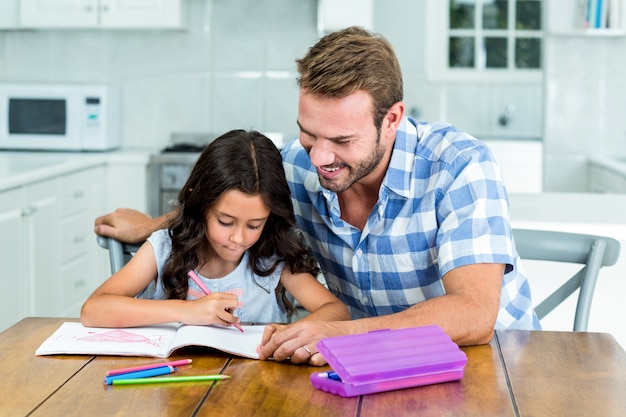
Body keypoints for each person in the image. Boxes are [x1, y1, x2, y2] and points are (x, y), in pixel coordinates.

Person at [94, 26, 540, 366]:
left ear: (393, 119)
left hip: (491, 362)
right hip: (361, 365)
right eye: (309, 133)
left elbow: (475, 313)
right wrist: (154, 225)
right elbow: (229, 199)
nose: (321, 157)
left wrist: (346, 334)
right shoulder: (298, 167)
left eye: (342, 140)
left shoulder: (459, 166)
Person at [82, 130, 350, 346]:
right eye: (225, 222)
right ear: (201, 204)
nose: (237, 238)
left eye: (254, 225)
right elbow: (94, 310)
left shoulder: (271, 257)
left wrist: (291, 336)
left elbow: (337, 312)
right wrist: (186, 311)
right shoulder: (165, 248)